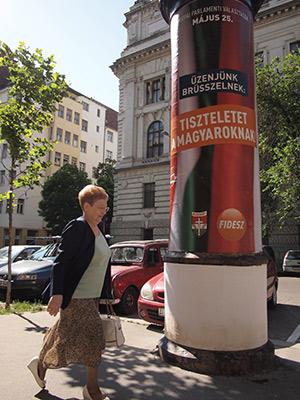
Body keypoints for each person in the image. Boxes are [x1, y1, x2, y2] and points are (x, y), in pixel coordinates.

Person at [27, 185, 112, 400]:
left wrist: (106, 293)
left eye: (106, 207)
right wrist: (57, 294)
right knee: (94, 338)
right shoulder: (78, 227)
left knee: (62, 335)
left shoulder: (98, 229)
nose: (104, 211)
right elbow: (61, 262)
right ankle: (92, 390)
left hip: (90, 296)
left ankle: (40, 365)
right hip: (76, 296)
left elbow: (100, 263)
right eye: (100, 207)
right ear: (86, 206)